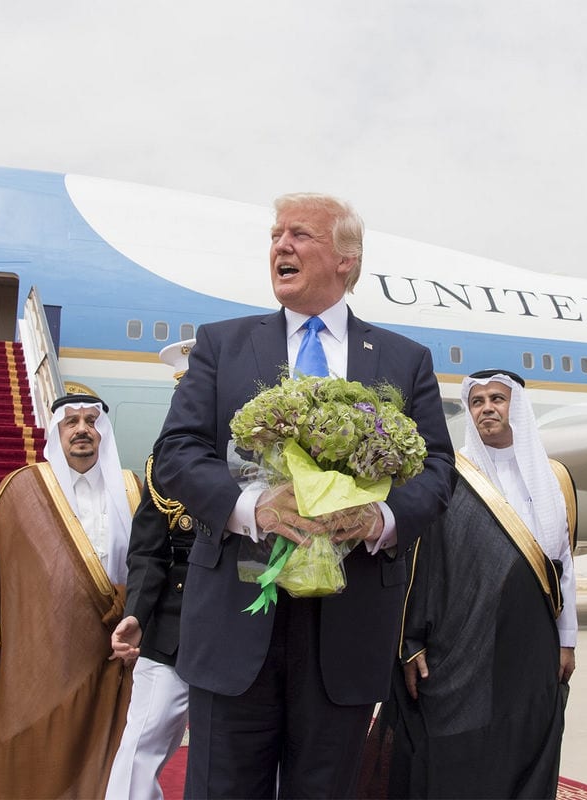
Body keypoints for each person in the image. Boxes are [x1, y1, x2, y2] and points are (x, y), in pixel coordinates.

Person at [153, 193, 455, 798]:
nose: (280, 246)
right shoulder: (221, 344)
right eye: (274, 236)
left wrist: (381, 516)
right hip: (238, 615)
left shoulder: (404, 359)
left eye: (299, 235)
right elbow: (177, 453)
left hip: (347, 627)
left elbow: (438, 468)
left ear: (347, 259)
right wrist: (250, 509)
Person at [360, 369, 577, 798]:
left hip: (532, 640)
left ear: (518, 406)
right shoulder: (452, 476)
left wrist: (567, 638)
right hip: (459, 641)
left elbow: (562, 564)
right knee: (460, 742)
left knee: (528, 736)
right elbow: (419, 564)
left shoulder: (555, 478)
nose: (487, 409)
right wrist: (411, 643)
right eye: (477, 402)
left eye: (498, 399)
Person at [0, 393, 139, 799]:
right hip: (39, 650)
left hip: (112, 648)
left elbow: (151, 564)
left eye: (91, 421)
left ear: (102, 432)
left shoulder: (130, 487)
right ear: (57, 432)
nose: (82, 430)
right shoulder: (22, 487)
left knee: (105, 749)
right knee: (39, 744)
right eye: (71, 423)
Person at [108, 339, 197, 800]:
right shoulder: (161, 465)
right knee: (140, 745)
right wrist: (137, 614)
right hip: (171, 626)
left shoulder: (254, 458)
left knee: (229, 753)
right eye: (184, 394)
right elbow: (148, 551)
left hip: (238, 627)